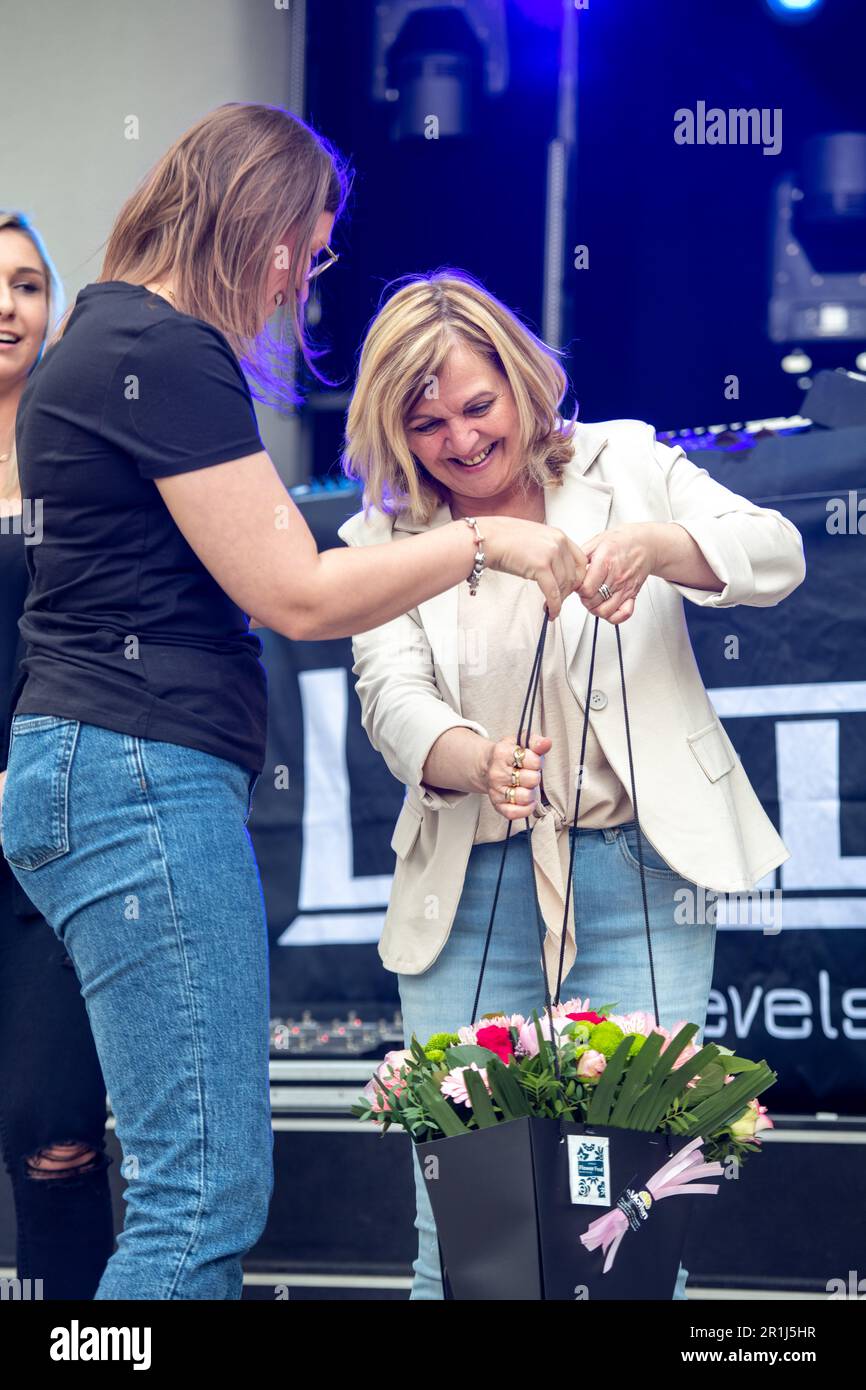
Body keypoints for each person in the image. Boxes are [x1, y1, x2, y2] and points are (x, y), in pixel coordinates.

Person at [0, 106, 583, 1302]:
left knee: (180, 1181)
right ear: (260, 227)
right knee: (200, 1194)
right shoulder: (161, 350)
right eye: (306, 253)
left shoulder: (109, 336)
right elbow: (299, 590)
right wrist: (484, 542)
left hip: (97, 770)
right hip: (138, 775)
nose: (299, 283)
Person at [337, 269, 807, 1300]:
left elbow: (774, 553)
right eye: (425, 423)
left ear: (519, 380)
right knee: (460, 1226)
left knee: (634, 1215)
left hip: (644, 872)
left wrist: (659, 545)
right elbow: (392, 700)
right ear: (391, 428)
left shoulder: (625, 462)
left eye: (476, 405)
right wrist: (476, 761)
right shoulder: (377, 542)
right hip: (468, 886)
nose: (459, 440)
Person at [0, 212, 115, 1299]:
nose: (7, 305)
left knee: (56, 1136)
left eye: (28, 284)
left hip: (57, 841)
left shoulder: (88, 454)